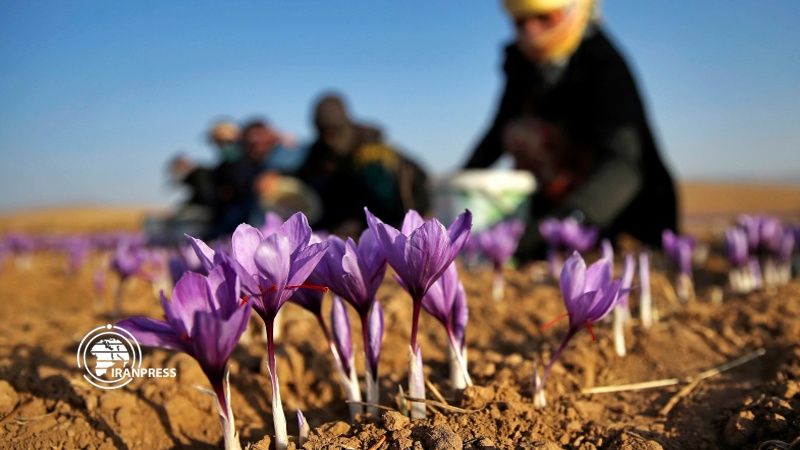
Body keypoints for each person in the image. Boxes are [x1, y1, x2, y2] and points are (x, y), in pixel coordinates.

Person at [464, 0, 678, 261]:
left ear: (576, 10)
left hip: (619, 211)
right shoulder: (524, 66)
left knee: (526, 135)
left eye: (545, 17)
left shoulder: (605, 65)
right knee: (516, 131)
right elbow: (495, 135)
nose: (531, 30)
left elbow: (623, 165)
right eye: (520, 21)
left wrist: (564, 222)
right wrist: (454, 189)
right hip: (554, 207)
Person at [294, 93, 431, 236]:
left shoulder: (371, 147)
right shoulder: (317, 153)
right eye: (324, 131)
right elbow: (303, 180)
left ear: (344, 123)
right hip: (334, 232)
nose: (329, 138)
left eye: (334, 130)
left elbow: (416, 181)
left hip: (385, 232)